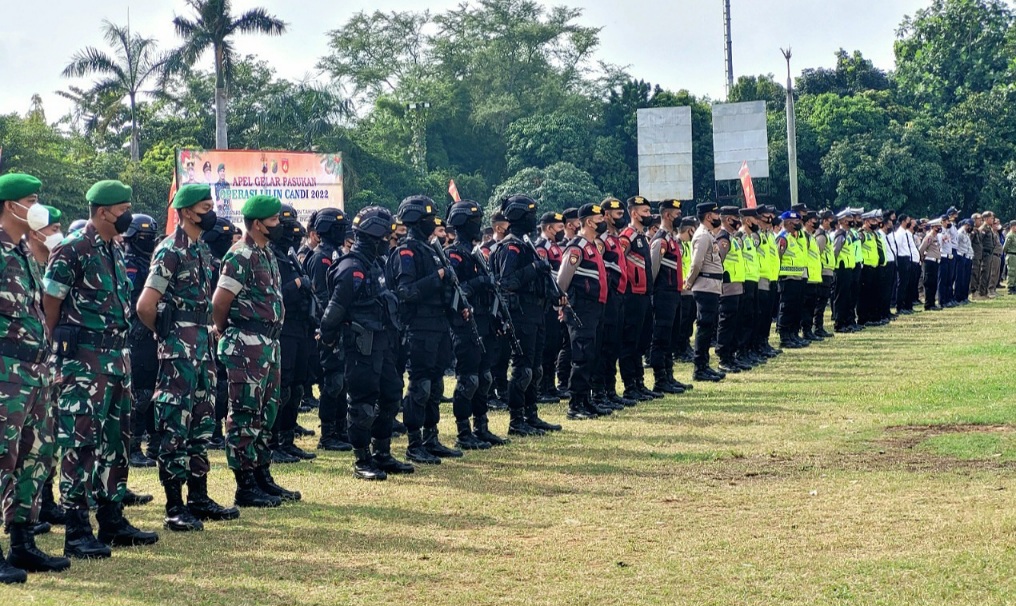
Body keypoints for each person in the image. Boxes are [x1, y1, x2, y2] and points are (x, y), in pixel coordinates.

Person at [43, 180, 160, 558]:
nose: (127, 213)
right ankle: (77, 529)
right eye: (123, 207)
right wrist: (59, 349)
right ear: (103, 211)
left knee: (116, 443)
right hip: (83, 365)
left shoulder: (114, 248)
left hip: (116, 360)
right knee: (80, 444)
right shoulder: (72, 248)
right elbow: (50, 304)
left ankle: (112, 519)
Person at [135, 184, 240, 532]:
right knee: (174, 426)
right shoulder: (170, 251)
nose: (209, 212)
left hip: (202, 348)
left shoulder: (202, 252)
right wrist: (166, 334)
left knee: (201, 423)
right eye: (203, 207)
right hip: (178, 350)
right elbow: (145, 306)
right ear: (184, 212)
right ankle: (174, 505)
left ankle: (198, 496)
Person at [0, 174, 70, 582]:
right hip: (6, 373)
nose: (38, 207)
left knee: (34, 458)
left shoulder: (25, 252)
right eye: (31, 200)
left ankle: (22, 543)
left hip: (35, 374)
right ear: (11, 205)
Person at [212, 194, 299, 507]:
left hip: (268, 344)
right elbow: (219, 303)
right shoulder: (241, 255)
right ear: (259, 224)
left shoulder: (267, 254)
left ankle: (262, 475)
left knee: (267, 412)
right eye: (275, 220)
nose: (280, 225)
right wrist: (224, 331)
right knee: (245, 413)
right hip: (246, 344)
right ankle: (245, 484)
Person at [320, 206, 414, 480]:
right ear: (375, 235)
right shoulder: (352, 268)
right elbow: (333, 313)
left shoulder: (374, 265)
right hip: (361, 345)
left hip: (382, 344)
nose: (389, 240)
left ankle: (382, 453)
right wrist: (327, 341)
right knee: (362, 403)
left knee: (392, 393)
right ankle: (362, 460)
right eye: (386, 235)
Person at [387, 196, 463, 463]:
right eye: (428, 218)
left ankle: (431, 437)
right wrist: (437, 277)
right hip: (419, 327)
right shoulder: (406, 252)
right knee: (420, 386)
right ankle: (414, 442)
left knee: (436, 384)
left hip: (439, 325)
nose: (434, 223)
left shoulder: (432, 249)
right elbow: (406, 292)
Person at [490, 194, 564, 435]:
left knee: (536, 368)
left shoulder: (526, 244)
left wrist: (554, 293)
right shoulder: (511, 246)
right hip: (520, 314)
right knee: (523, 369)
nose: (534, 219)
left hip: (536, 312)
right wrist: (535, 268)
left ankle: (531, 415)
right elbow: (507, 281)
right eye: (530, 214)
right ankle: (516, 420)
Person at [445, 201, 508, 449]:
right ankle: (463, 431)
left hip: (484, 322)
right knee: (468, 380)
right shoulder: (453, 255)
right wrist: (480, 282)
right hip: (465, 324)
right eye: (473, 222)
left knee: (484, 377)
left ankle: (481, 426)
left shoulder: (475, 253)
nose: (478, 227)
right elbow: (454, 293)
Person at [267, 205, 317, 463]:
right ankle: (273, 442)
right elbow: (273, 296)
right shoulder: (271, 256)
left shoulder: (289, 256)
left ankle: (287, 439)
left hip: (299, 327)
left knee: (296, 387)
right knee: (282, 388)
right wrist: (298, 284)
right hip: (284, 330)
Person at [305, 209, 353, 452]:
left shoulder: (336, 255)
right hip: (326, 327)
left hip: (340, 326)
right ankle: (328, 433)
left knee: (342, 381)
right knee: (332, 382)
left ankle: (341, 428)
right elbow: (322, 295)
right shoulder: (320, 257)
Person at [557, 203, 608, 419]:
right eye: (600, 218)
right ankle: (575, 404)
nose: (603, 221)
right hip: (580, 309)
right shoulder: (577, 247)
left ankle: (585, 400)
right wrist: (561, 305)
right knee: (581, 355)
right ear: (589, 221)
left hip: (593, 308)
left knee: (591, 355)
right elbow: (562, 280)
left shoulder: (592, 245)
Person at [123, 215, 160, 469]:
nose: (147, 242)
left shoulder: (151, 262)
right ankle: (133, 446)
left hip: (153, 334)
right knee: (140, 394)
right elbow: (129, 300)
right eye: (143, 237)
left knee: (154, 391)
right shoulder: (129, 264)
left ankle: (154, 444)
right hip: (136, 335)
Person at [618, 196, 660, 400]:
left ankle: (639, 382)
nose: (649, 216)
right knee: (630, 342)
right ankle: (630, 385)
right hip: (631, 295)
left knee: (642, 341)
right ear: (634, 213)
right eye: (645, 212)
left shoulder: (642, 236)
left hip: (644, 295)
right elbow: (619, 262)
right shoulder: (627, 236)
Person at [201, 217, 237, 450]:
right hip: (208, 329)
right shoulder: (207, 262)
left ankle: (218, 427)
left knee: (222, 381)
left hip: (220, 329)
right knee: (214, 382)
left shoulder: (225, 262)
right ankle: (212, 429)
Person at [648, 199, 690, 393]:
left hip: (674, 292)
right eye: (675, 213)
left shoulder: (672, 238)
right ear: (666, 215)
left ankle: (669, 376)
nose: (678, 216)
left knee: (671, 337)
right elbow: (653, 270)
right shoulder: (661, 239)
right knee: (661, 337)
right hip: (663, 293)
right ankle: (660, 379)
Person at [685, 202, 725, 382]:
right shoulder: (702, 236)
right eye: (716, 215)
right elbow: (696, 263)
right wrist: (690, 282)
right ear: (709, 217)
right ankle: (699, 367)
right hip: (705, 286)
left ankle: (704, 365)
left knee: (709, 327)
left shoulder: (709, 235)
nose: (719, 218)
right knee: (704, 326)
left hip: (712, 286)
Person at [534, 212, 565, 403]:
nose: (562, 230)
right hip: (546, 303)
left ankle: (550, 385)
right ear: (548, 228)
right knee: (546, 346)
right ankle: (541, 387)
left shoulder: (555, 247)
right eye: (559, 227)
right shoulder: (541, 247)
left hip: (556, 301)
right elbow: (544, 277)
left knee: (554, 344)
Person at [715, 206, 748, 373]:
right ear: (728, 220)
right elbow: (718, 261)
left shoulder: (732, 238)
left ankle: (732, 356)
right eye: (736, 218)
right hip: (727, 287)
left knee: (736, 322)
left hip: (737, 286)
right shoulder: (723, 238)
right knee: (727, 323)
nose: (739, 222)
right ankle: (723, 357)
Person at [775, 210, 809, 348]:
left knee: (796, 307)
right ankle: (785, 336)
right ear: (788, 223)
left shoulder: (796, 237)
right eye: (796, 222)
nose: (799, 224)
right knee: (787, 308)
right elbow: (778, 257)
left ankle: (793, 334)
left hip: (798, 278)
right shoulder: (783, 238)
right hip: (787, 278)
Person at [919, 219, 943, 310]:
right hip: (929, 262)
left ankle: (932, 303)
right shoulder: (929, 236)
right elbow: (921, 249)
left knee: (933, 284)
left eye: (939, 226)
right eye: (937, 227)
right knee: (929, 283)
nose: (939, 228)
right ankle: (928, 304)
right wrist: (922, 258)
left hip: (935, 261)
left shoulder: (936, 237)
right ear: (933, 227)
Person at [1004, 221, 1016, 294]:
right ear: (1012, 226)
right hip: (1011, 255)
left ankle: (1014, 285)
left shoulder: (1015, 235)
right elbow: (1005, 247)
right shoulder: (1010, 235)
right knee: (1011, 271)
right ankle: (1010, 287)